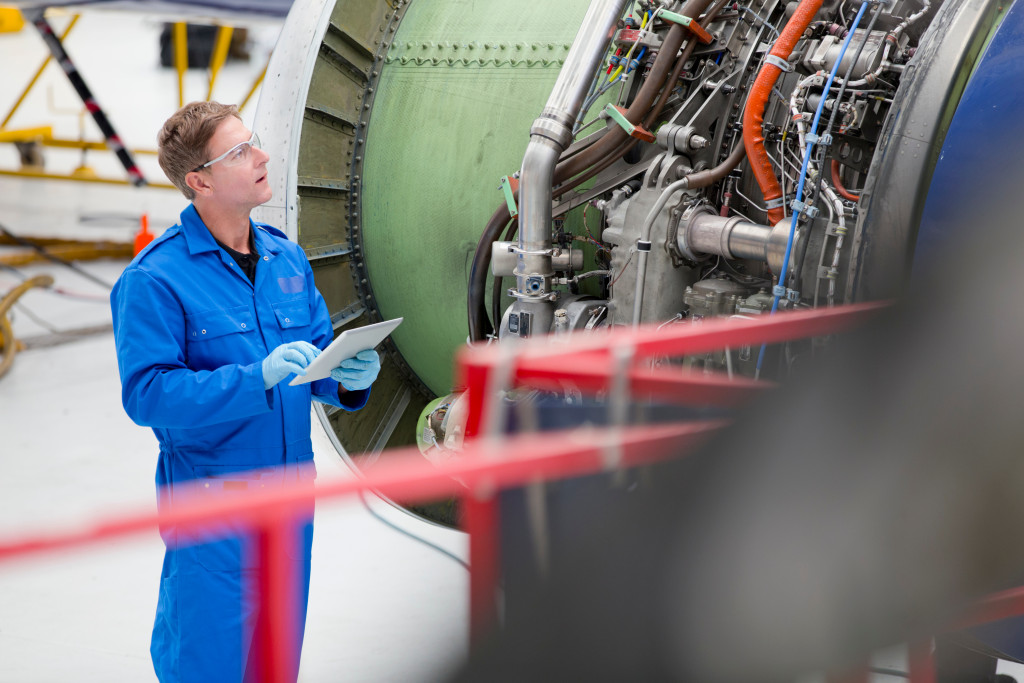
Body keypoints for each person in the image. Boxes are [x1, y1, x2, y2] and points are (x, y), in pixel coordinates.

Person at [110, 101, 380, 682]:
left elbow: (312, 358)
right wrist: (253, 376)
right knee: (206, 663)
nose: (261, 156)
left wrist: (345, 377)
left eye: (254, 142)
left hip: (290, 498)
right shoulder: (154, 278)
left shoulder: (286, 257)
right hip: (214, 508)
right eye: (238, 152)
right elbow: (148, 395)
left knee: (276, 663)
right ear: (198, 180)